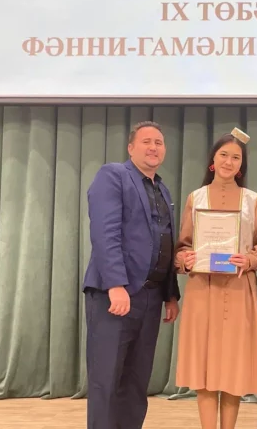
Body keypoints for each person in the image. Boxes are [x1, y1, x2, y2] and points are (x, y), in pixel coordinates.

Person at [83, 121, 181, 429]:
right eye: (146, 141)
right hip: (115, 296)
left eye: (159, 142)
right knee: (107, 379)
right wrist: (116, 285)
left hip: (151, 298)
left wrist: (171, 294)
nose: (153, 147)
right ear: (130, 148)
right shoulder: (113, 176)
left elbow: (165, 241)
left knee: (136, 383)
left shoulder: (162, 189)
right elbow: (105, 233)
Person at [174, 128, 257, 429]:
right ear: (212, 161)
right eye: (224, 155)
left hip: (240, 290)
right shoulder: (195, 197)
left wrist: (250, 259)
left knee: (232, 368)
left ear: (242, 165)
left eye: (236, 157)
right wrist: (185, 259)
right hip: (203, 291)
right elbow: (182, 246)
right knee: (204, 366)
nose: (229, 161)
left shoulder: (253, 201)